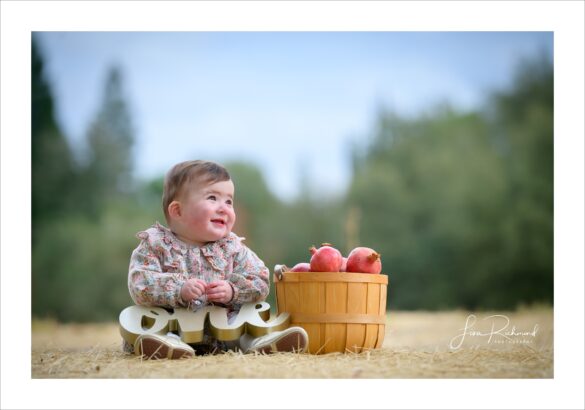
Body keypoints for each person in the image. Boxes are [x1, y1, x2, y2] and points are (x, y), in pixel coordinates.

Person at [126, 160, 308, 359]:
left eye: (228, 201)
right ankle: (167, 344)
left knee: (244, 321)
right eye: (212, 198)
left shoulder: (232, 248)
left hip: (224, 332)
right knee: (157, 325)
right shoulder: (155, 245)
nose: (224, 208)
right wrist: (179, 289)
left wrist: (233, 290)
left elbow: (260, 279)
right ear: (177, 211)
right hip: (173, 323)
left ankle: (257, 342)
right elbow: (140, 283)